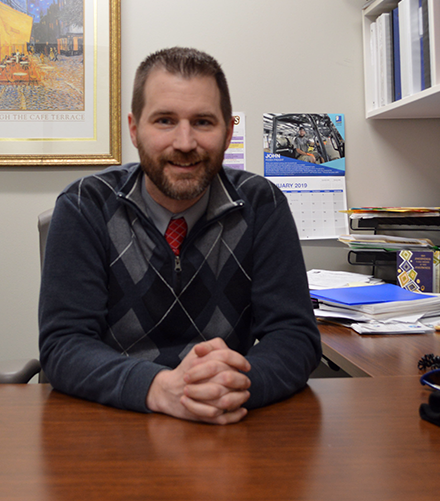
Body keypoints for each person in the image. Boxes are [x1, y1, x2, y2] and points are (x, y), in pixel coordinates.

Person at [39, 46, 321, 425]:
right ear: (135, 129)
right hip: (113, 425)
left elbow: (295, 337)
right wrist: (158, 387)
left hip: (226, 424)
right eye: (165, 121)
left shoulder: (262, 205)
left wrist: (233, 384)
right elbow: (63, 347)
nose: (185, 143)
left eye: (203, 122)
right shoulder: (84, 205)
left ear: (228, 131)